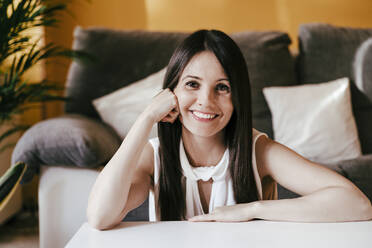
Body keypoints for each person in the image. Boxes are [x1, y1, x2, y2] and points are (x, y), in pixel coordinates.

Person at [86, 30, 372, 230]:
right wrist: (146, 117)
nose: (206, 102)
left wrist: (252, 210)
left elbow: (357, 205)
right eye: (192, 84)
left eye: (222, 88)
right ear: (171, 92)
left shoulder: (258, 151)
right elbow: (100, 217)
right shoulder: (155, 157)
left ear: (238, 98)